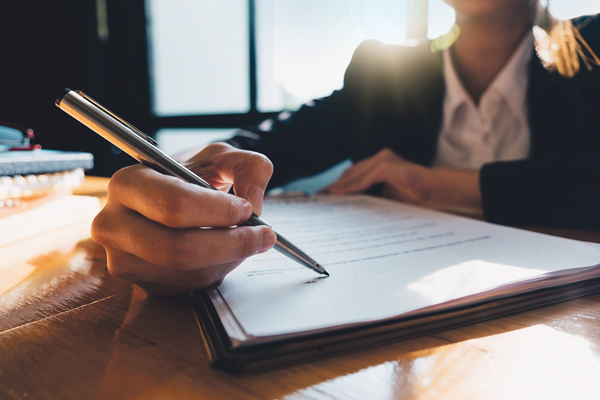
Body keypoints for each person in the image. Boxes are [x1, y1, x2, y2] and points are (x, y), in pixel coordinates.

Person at [92, 0, 600, 296]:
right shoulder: (385, 72)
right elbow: (267, 147)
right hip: (402, 300)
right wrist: (179, 181)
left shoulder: (591, 49)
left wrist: (430, 181)